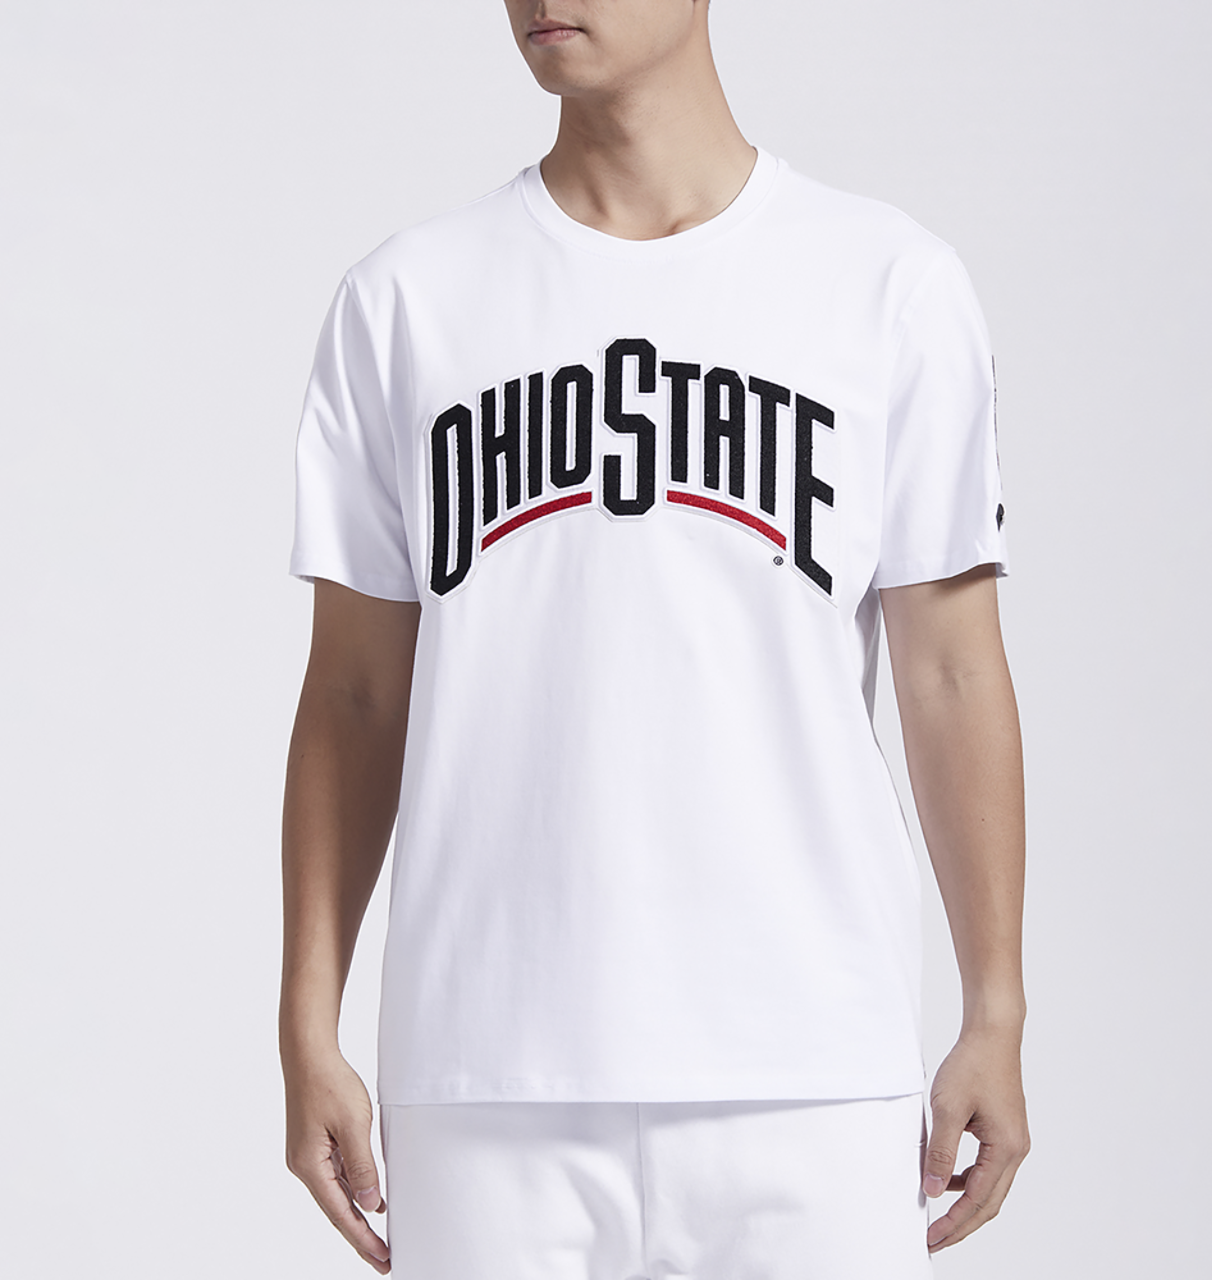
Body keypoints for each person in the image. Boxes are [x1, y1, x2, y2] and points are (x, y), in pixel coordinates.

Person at [278, 2, 1030, 1276]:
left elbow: (951, 669)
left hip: (807, 1065)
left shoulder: (886, 283)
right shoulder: (405, 300)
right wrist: (307, 1015)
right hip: (485, 1072)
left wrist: (993, 1004)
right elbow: (352, 692)